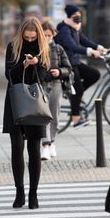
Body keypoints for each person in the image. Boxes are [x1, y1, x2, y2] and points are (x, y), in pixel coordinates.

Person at [2, 17, 50, 209]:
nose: (30, 40)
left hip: (35, 102)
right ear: (22, 34)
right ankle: (19, 191)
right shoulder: (13, 47)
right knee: (16, 147)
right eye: (27, 37)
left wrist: (37, 63)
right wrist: (22, 65)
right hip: (15, 101)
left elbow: (45, 76)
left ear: (37, 35)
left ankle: (34, 194)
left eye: (33, 38)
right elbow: (8, 75)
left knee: (34, 149)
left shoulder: (43, 48)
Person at [55, 4, 108, 128]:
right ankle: (75, 118)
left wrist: (100, 48)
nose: (78, 18)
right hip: (67, 64)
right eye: (75, 16)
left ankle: (75, 98)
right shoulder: (64, 30)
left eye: (79, 15)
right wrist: (90, 52)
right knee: (78, 90)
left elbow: (84, 40)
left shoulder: (75, 28)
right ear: (69, 16)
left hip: (75, 62)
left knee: (95, 74)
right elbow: (73, 46)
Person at [40, 21, 72, 160]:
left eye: (49, 35)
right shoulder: (36, 49)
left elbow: (68, 68)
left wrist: (59, 71)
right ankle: (45, 145)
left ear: (53, 35)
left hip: (56, 84)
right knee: (43, 116)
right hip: (41, 85)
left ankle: (52, 142)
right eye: (44, 35)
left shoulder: (58, 49)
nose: (47, 37)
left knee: (54, 116)